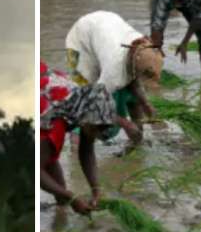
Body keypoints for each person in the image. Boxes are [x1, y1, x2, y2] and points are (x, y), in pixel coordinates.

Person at [39, 61, 141, 215]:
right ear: (85, 119)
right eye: (95, 129)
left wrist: (96, 189)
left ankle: (60, 212)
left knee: (60, 193)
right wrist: (71, 197)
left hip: (46, 88)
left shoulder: (87, 103)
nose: (95, 136)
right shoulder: (55, 124)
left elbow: (86, 152)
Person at [66, 11, 161, 141]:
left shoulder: (142, 46)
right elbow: (94, 103)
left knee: (132, 95)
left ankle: (137, 142)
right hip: (80, 40)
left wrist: (146, 104)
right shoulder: (113, 74)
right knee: (83, 102)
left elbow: (134, 80)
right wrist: (126, 124)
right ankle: (76, 149)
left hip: (104, 26)